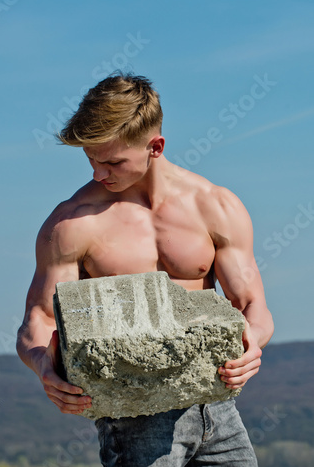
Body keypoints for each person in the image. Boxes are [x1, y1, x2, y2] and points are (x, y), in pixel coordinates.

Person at [17, 72, 274, 466]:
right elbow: (38, 317)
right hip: (133, 418)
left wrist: (252, 343)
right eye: (91, 160)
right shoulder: (72, 223)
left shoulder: (216, 206)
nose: (98, 174)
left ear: (155, 146)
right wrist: (42, 367)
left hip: (217, 408)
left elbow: (252, 303)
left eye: (112, 162)